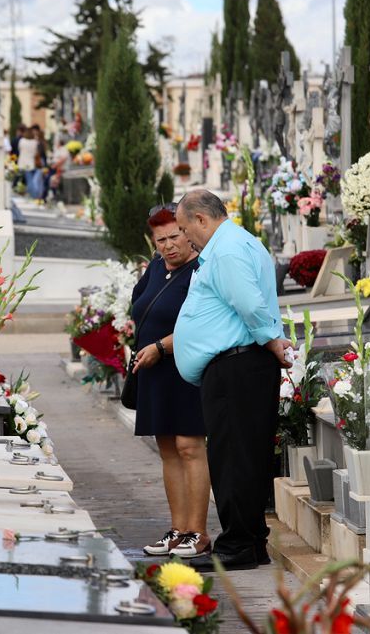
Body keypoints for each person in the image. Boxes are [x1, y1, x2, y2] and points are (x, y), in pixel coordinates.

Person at [173, 189, 292, 571]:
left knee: (233, 458)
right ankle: (252, 540)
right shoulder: (239, 242)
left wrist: (273, 340)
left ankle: (238, 544)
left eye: (184, 227)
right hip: (241, 366)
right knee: (248, 455)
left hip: (236, 366)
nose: (184, 237)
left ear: (201, 219)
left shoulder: (225, 250)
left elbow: (248, 302)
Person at [132, 204, 211, 559]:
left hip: (184, 366)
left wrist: (160, 348)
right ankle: (178, 530)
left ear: (187, 232)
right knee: (167, 449)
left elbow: (202, 323)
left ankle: (198, 531)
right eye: (160, 240)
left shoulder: (201, 271)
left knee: (189, 446)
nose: (168, 246)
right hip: (154, 372)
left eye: (174, 236)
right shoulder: (154, 269)